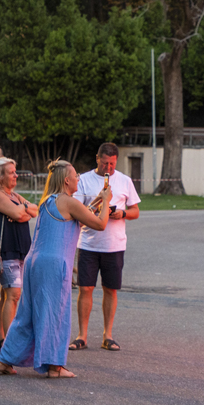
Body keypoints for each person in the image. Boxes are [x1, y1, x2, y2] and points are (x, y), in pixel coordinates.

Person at [0, 159, 110, 378]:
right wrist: (107, 202)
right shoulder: (69, 201)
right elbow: (100, 224)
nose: (78, 179)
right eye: (75, 176)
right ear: (67, 180)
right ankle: (54, 366)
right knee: (55, 313)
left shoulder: (49, 200)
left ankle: (5, 359)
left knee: (26, 314)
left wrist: (98, 202)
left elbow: (80, 217)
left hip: (34, 262)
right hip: (53, 265)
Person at [72, 143, 141, 352]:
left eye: (112, 164)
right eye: (104, 163)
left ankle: (107, 335)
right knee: (85, 288)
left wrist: (123, 214)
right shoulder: (83, 179)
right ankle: (82, 335)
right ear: (97, 159)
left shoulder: (125, 181)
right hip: (88, 243)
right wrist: (98, 207)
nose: (108, 168)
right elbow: (77, 209)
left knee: (110, 289)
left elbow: (136, 210)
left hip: (114, 245)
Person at [0, 157, 38, 354]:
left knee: (6, 294)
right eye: (12, 172)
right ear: (0, 175)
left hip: (20, 251)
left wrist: (21, 210)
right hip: (5, 253)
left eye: (15, 172)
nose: (16, 175)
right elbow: (19, 214)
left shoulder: (14, 195)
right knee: (14, 295)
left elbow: (34, 210)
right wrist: (22, 210)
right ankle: (10, 346)